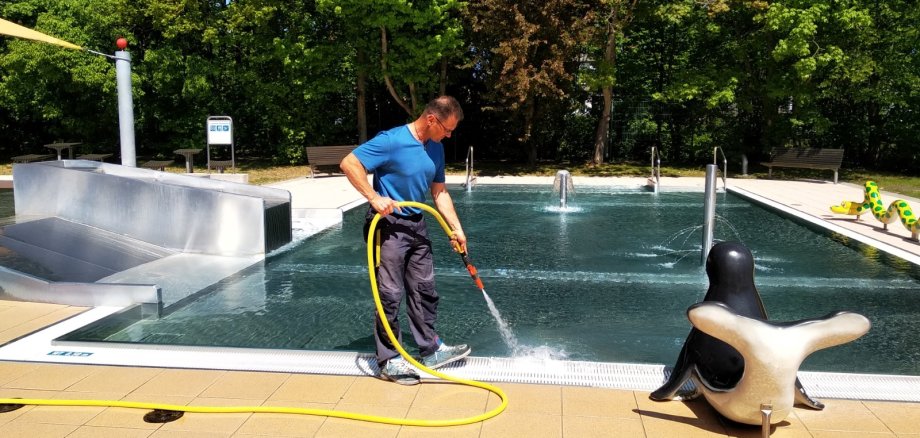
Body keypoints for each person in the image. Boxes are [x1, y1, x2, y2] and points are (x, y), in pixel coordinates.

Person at [339, 95, 472, 385]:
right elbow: (349, 163)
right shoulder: (392, 140)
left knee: (424, 288)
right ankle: (389, 359)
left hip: (417, 224)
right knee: (389, 294)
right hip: (387, 226)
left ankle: (430, 348)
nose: (449, 136)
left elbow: (439, 192)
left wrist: (456, 228)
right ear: (431, 119)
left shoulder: (434, 149)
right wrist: (374, 197)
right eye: (447, 129)